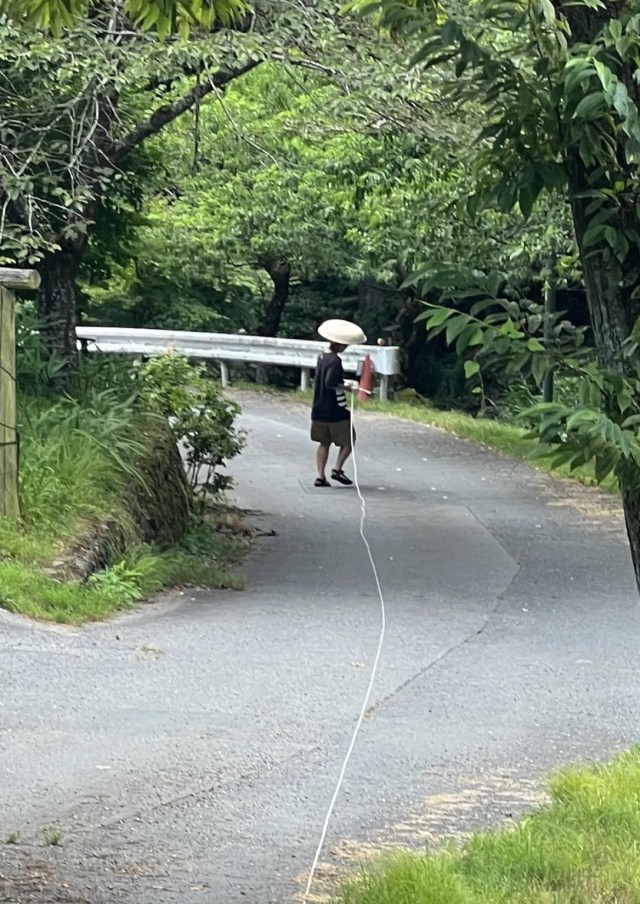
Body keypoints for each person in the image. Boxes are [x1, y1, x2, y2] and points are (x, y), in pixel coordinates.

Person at [310, 341, 359, 487]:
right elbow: (330, 382)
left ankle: (320, 476)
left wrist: (344, 382)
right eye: (345, 345)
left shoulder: (321, 356)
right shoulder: (335, 360)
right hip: (335, 409)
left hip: (318, 408)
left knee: (324, 442)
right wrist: (348, 388)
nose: (346, 347)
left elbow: (328, 379)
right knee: (349, 440)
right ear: (338, 344)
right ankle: (337, 469)